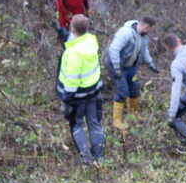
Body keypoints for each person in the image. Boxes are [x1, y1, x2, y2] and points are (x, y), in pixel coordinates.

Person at [56, 14, 104, 164]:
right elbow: (75, 39)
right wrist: (63, 33)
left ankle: (85, 159)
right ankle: (99, 157)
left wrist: (66, 100)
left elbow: (71, 81)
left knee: (76, 125)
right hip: (94, 91)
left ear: (72, 28)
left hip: (77, 96)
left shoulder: (73, 54)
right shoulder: (91, 40)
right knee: (94, 123)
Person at [106, 15, 160, 129]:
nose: (151, 31)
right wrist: (116, 68)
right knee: (122, 91)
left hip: (130, 67)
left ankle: (133, 114)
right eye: (151, 29)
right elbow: (113, 49)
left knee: (134, 88)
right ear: (147, 26)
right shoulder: (125, 33)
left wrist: (151, 65)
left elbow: (144, 51)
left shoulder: (143, 36)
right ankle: (116, 121)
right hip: (117, 67)